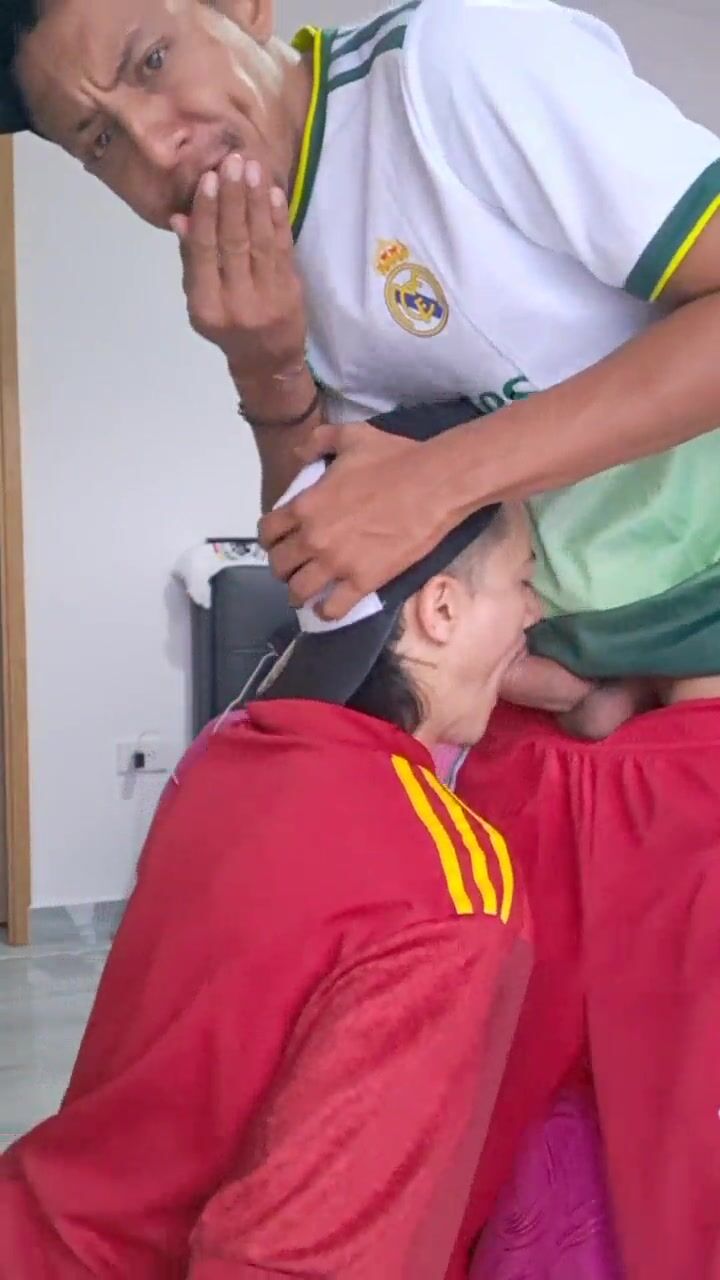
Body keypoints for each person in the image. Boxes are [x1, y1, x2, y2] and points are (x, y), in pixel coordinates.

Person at [4, 0, 720, 1273]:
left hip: (681, 699)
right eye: (96, 141)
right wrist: (267, 369)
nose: (156, 148)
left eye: (154, 62)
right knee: (488, 1144)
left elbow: (410, 513)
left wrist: (445, 479)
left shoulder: (460, 73)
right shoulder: (268, 255)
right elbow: (344, 563)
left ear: (244, 8)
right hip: (565, 697)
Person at [0, 403, 539, 1279]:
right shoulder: (447, 890)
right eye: (522, 580)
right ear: (441, 608)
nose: (534, 612)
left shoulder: (227, 757)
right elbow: (299, 1257)